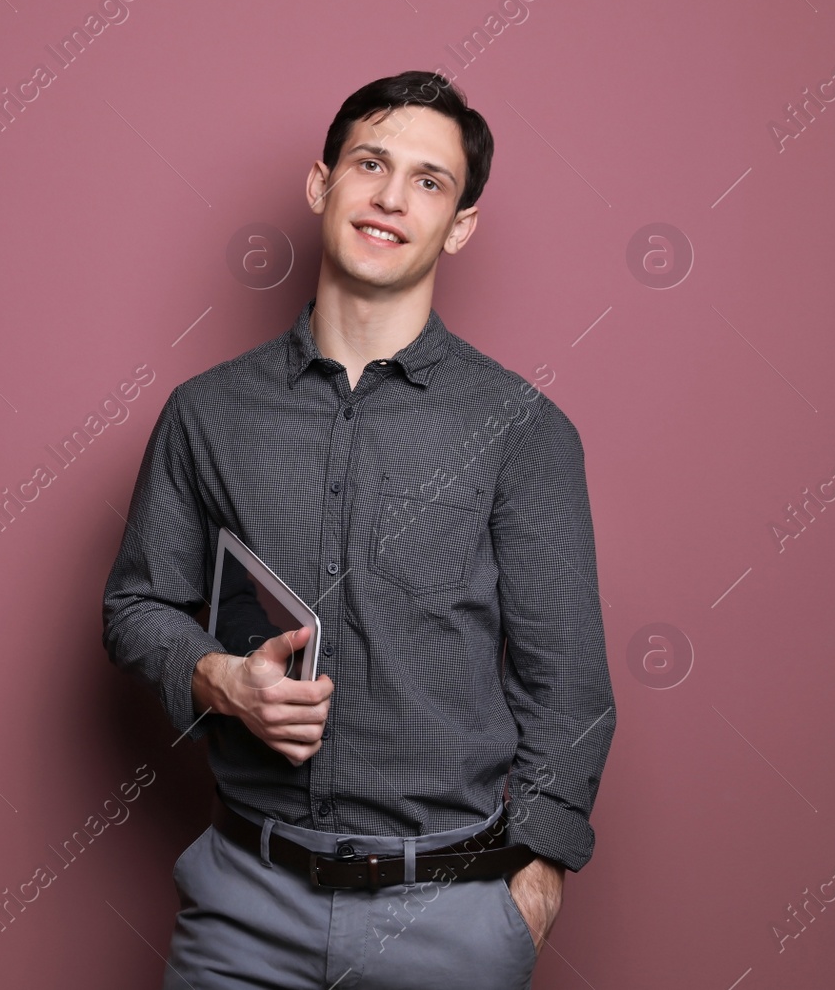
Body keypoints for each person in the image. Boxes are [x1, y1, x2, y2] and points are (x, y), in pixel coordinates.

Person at [101, 70, 616, 990]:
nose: (390, 197)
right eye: (370, 163)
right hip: (243, 908)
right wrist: (218, 679)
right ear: (321, 184)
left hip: (449, 917)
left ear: (459, 225)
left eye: (429, 180)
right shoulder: (206, 414)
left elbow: (567, 688)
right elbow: (138, 604)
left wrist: (533, 880)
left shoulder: (524, 429)